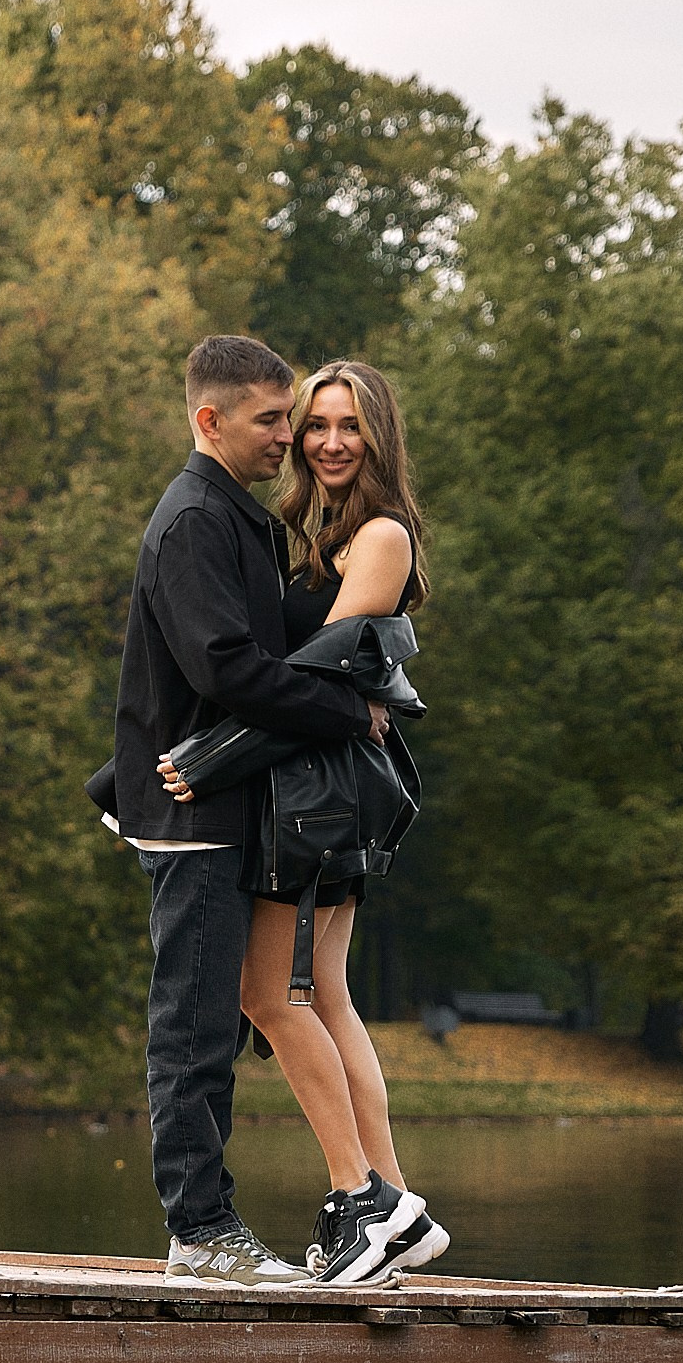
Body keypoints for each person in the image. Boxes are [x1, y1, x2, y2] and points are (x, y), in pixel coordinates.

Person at [112, 336, 422, 1286]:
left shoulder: (261, 524)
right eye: (283, 421)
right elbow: (228, 672)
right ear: (210, 421)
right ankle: (229, 1224)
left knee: (251, 1008)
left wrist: (367, 683)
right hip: (215, 809)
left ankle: (362, 1205)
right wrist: (348, 704)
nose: (299, 439)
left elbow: (285, 656)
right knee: (211, 1020)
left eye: (326, 423)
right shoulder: (205, 523)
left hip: (262, 804)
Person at [231, 361, 449, 1284]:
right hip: (314, 781)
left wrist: (216, 734)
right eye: (315, 424)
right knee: (323, 993)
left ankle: (366, 1196)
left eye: (348, 425)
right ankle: (395, 1209)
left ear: (379, 436)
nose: (327, 441)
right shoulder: (318, 533)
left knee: (267, 995)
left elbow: (325, 669)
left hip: (325, 793)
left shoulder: (383, 536)